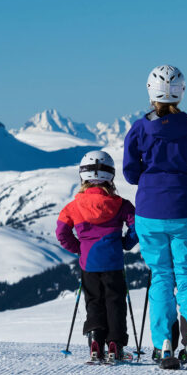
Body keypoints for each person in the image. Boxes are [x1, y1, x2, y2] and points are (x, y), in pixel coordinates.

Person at [123, 65, 187, 370]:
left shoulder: (139, 128)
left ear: (150, 91)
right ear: (181, 91)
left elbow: (130, 173)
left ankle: (165, 344)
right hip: (184, 209)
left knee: (161, 276)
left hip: (150, 210)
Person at [56, 150, 138, 362]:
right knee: (115, 302)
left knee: (93, 302)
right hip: (113, 262)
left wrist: (79, 248)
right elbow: (137, 225)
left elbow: (61, 233)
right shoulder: (121, 204)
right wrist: (126, 243)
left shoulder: (73, 206)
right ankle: (115, 344)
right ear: (110, 176)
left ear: (82, 175)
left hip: (89, 263)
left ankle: (95, 341)